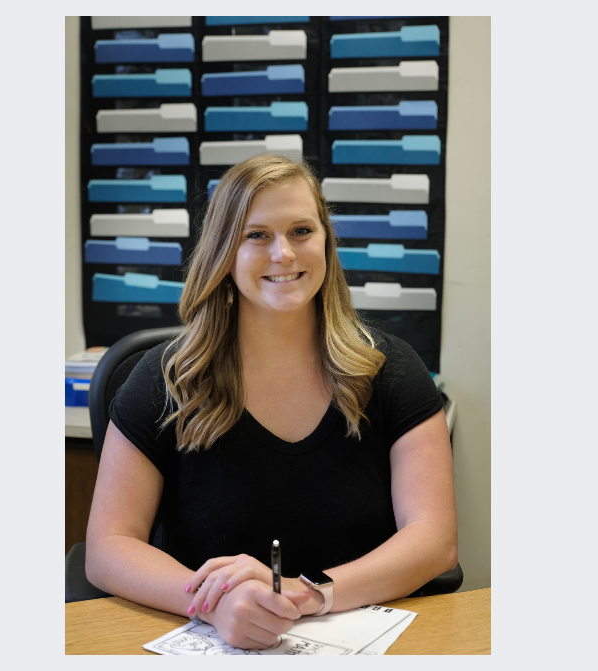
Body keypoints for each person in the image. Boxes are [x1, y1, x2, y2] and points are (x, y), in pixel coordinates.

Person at [85, 154, 457, 650]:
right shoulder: (165, 378)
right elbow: (108, 548)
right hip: (216, 643)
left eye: (301, 230)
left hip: (365, 642)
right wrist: (213, 604)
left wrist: (306, 596)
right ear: (223, 251)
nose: (284, 253)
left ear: (326, 239)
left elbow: (434, 538)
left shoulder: (389, 369)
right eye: (256, 235)